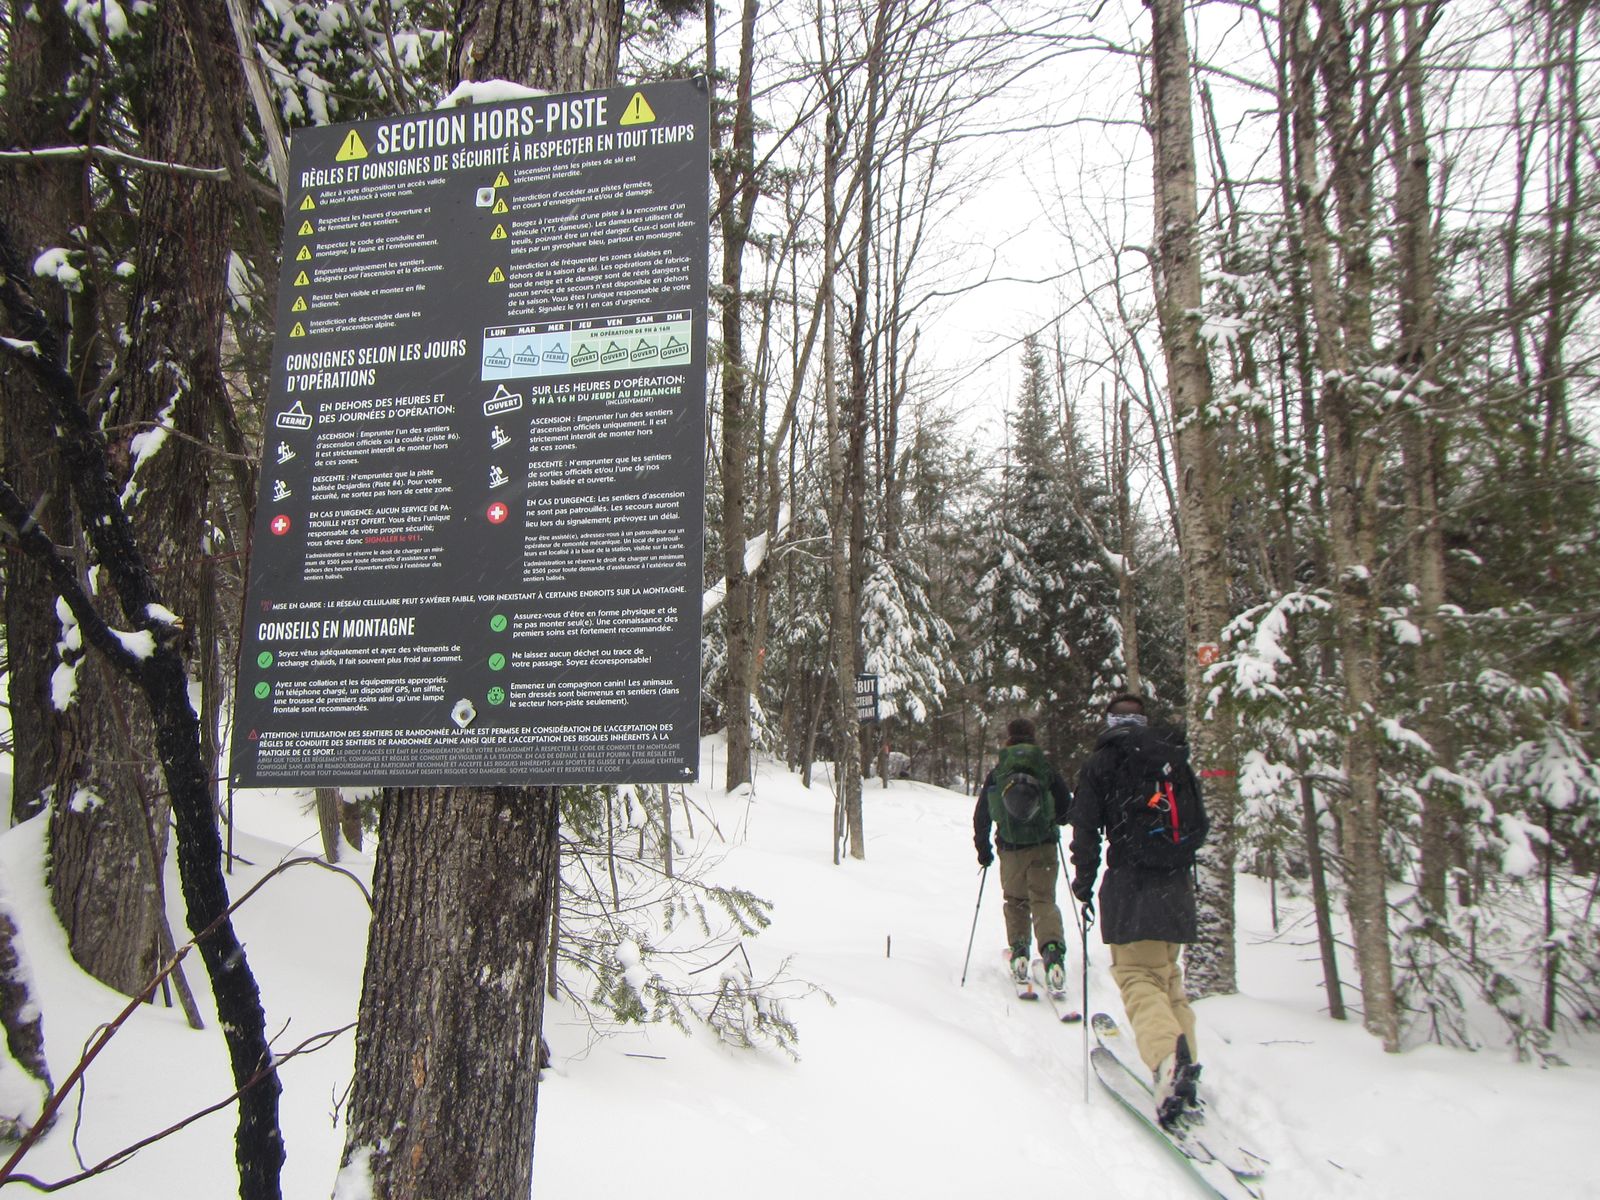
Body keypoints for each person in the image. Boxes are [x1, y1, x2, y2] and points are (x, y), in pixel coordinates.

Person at [1068, 693, 1210, 1127]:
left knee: (1138, 979)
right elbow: (1199, 824)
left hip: (1132, 883)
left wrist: (1084, 882)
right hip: (1177, 885)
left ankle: (1168, 1062)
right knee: (1169, 981)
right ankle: (1184, 1064)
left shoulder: (1101, 763)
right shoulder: (1172, 758)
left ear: (1110, 721)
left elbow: (1086, 830)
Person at [973, 717, 1073, 992]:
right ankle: (1052, 953)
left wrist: (984, 850)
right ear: (1033, 737)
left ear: (1008, 738)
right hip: (1044, 846)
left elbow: (981, 815)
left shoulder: (998, 772)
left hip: (1010, 848)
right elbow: (1066, 809)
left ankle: (1019, 952)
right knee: (1043, 900)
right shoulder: (1045, 769)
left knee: (1016, 900)